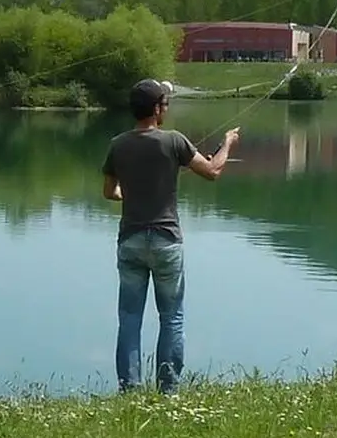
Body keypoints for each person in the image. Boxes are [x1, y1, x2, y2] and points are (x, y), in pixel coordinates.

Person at [101, 78, 239, 394]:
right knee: (172, 318)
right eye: (165, 104)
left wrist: (131, 192)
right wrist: (228, 143)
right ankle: (168, 391)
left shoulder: (117, 144)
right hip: (166, 241)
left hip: (131, 242)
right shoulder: (174, 141)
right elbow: (213, 172)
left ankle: (130, 391)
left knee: (130, 319)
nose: (166, 109)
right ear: (156, 108)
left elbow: (110, 192)